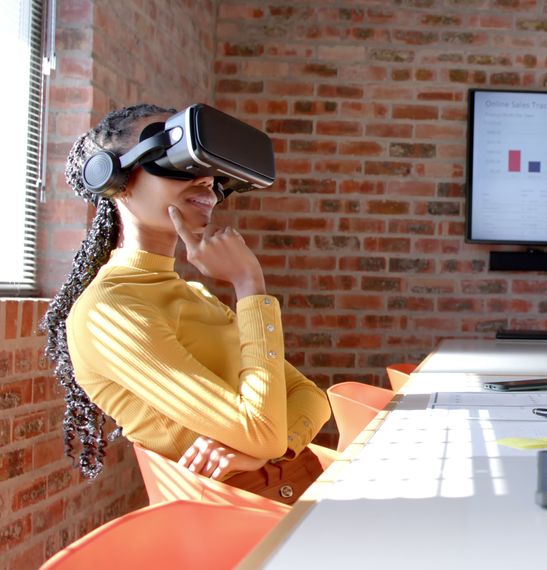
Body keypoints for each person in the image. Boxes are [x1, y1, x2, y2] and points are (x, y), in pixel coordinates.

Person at [42, 103, 332, 502]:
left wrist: (276, 448)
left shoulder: (193, 294)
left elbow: (311, 398)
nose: (205, 181)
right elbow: (260, 429)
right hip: (240, 528)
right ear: (115, 181)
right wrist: (249, 284)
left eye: (207, 166)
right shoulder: (109, 313)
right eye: (173, 158)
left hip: (306, 497)